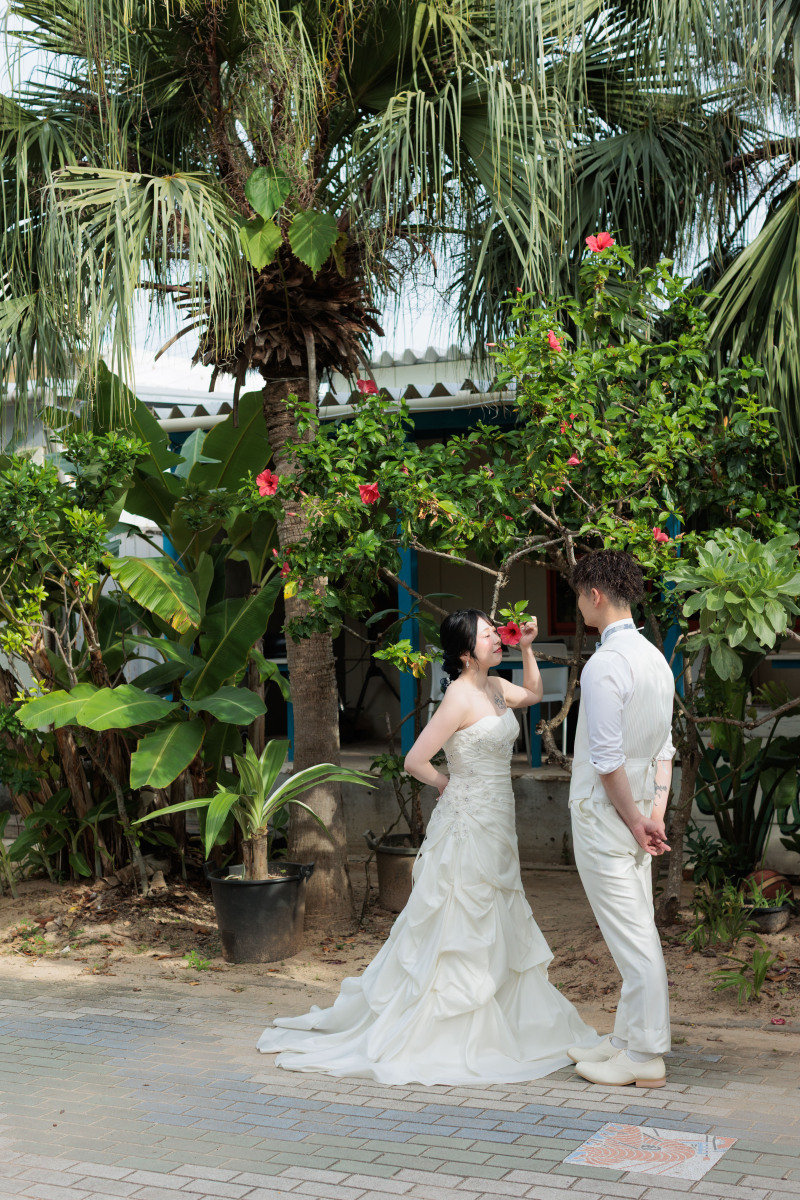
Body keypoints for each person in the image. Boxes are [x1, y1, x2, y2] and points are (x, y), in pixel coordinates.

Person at [256, 607, 598, 1084]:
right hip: (469, 820)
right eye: (488, 636)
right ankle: (454, 1018)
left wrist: (525, 648)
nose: (496, 639)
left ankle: (501, 1009)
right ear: (465, 653)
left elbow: (537, 694)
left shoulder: (497, 688)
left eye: (495, 634)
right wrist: (447, 785)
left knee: (497, 910)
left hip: (500, 820)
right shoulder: (458, 697)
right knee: (460, 914)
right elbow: (416, 759)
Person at [566, 551, 675, 1089]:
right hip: (634, 815)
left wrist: (636, 821)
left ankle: (646, 1054)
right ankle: (630, 1038)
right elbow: (665, 749)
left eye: (579, 595)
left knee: (633, 939)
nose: (579, 604)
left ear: (596, 595)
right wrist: (654, 814)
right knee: (637, 929)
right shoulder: (656, 658)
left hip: (606, 815)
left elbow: (606, 760)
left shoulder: (606, 663)